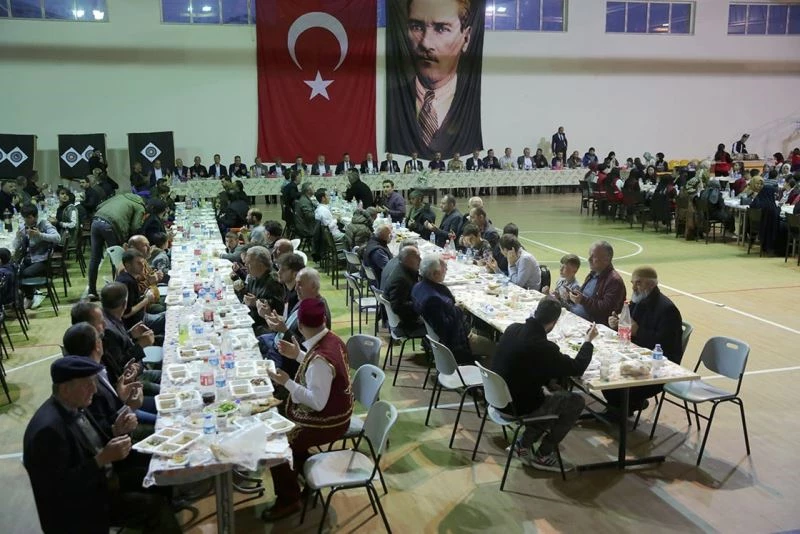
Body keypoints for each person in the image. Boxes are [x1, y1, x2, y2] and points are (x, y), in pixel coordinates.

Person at [23, 357, 180, 534]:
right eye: (87, 384)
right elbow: (60, 488)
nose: (94, 389)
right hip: (82, 505)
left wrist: (115, 431)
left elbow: (93, 443)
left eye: (94, 382)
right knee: (155, 507)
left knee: (158, 465)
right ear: (65, 389)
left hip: (104, 478)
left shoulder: (74, 405)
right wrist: (101, 459)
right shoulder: (47, 431)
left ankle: (171, 511)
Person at [261, 299, 353, 522]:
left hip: (329, 421)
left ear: (300, 326)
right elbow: (317, 370)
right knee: (280, 420)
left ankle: (289, 499)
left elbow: (317, 402)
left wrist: (287, 382)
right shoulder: (333, 339)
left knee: (276, 443)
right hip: (339, 409)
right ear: (324, 320)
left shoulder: (321, 358)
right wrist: (298, 355)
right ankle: (303, 469)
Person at [493, 298, 597, 472]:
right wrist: (588, 342)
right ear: (554, 323)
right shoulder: (543, 347)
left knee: (553, 396)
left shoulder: (513, 329)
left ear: (536, 312)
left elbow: (530, 366)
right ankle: (543, 454)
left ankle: (523, 445)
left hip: (497, 397)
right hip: (517, 406)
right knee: (575, 401)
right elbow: (576, 368)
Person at [386, 0, 482, 159]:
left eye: (441, 28)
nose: (426, 43)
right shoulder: (394, 97)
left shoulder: (471, 99)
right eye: (416, 27)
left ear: (466, 38)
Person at [605, 267, 684, 416]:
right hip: (635, 356)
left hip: (658, 366)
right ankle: (623, 407)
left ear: (652, 284)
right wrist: (617, 324)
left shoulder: (668, 310)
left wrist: (638, 331)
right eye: (633, 283)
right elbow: (629, 328)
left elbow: (666, 345)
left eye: (638, 283)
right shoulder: (637, 300)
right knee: (605, 369)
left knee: (613, 379)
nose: (634, 287)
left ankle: (625, 408)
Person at [412, 254, 495, 364]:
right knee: (498, 349)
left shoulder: (418, 287)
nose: (446, 270)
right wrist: (458, 309)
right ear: (435, 274)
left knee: (485, 331)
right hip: (458, 342)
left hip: (447, 335)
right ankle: (485, 371)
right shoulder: (433, 299)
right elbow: (446, 328)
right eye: (444, 268)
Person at [257, 267, 331, 376]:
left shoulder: (317, 311)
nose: (296, 288)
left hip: (289, 361)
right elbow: (290, 324)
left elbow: (308, 350)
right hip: (277, 344)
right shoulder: (303, 300)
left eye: (300, 284)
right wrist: (273, 318)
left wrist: (285, 331)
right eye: (296, 284)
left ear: (314, 286)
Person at [88, 192, 146, 299]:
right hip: (111, 224)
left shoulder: (120, 196)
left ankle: (91, 291)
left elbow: (99, 206)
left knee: (94, 258)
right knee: (117, 259)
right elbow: (135, 226)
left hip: (96, 221)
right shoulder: (139, 206)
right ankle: (117, 291)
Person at [13, 204, 61, 309]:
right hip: (28, 258)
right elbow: (15, 246)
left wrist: (40, 235)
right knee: (14, 271)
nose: (26, 220)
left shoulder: (43, 224)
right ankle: (25, 295)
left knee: (26, 273)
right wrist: (17, 238)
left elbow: (57, 238)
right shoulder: (23, 227)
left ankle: (30, 297)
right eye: (25, 217)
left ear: (35, 216)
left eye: (29, 217)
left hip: (42, 259)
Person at [569, 241, 626, 326]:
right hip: (575, 317)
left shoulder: (614, 281)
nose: (589, 259)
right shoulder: (593, 274)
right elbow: (582, 298)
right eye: (589, 255)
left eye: (593, 256)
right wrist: (571, 297)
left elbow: (606, 310)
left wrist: (582, 300)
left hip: (590, 326)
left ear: (606, 260)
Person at [115, 250, 165, 336]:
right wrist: (146, 300)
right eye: (138, 263)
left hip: (142, 316)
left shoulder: (129, 278)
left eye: (143, 263)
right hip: (137, 325)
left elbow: (135, 300)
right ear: (128, 265)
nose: (142, 266)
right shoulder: (128, 282)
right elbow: (126, 314)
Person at [240, 246, 286, 330]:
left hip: (264, 326)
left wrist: (256, 302)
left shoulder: (274, 281)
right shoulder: (253, 277)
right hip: (249, 319)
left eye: (249, 263)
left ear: (260, 264)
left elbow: (279, 308)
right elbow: (247, 295)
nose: (245, 265)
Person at [383, 246, 425, 334]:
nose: (420, 259)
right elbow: (398, 307)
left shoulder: (402, 269)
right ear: (407, 259)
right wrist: (421, 304)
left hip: (407, 318)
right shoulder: (401, 279)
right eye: (417, 257)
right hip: (407, 324)